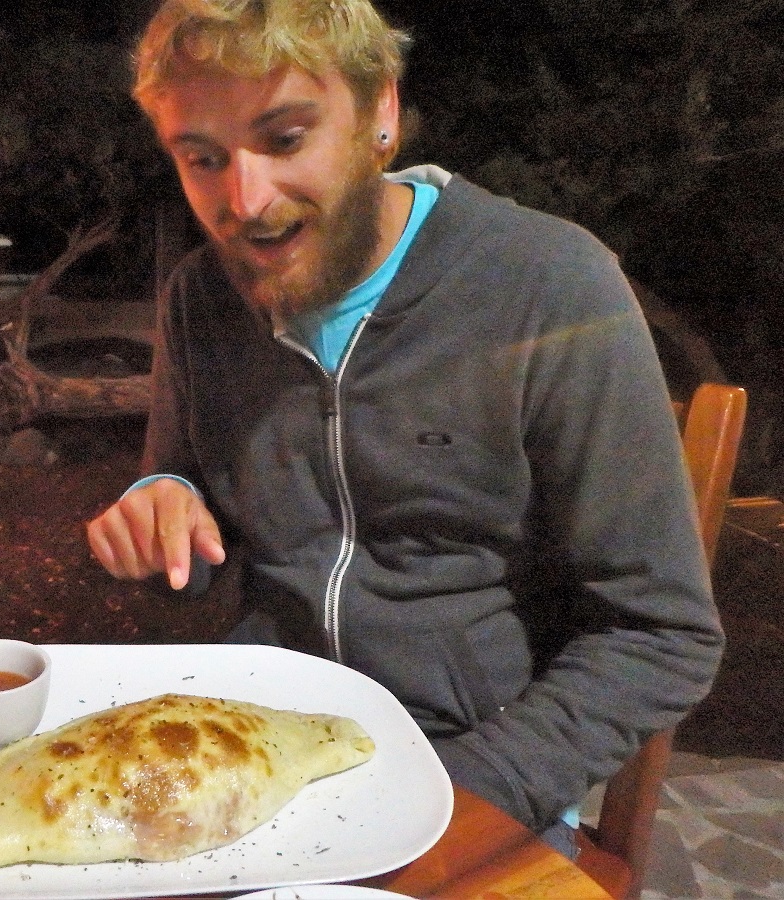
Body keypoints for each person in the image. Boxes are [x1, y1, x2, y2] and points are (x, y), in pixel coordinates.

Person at [85, 0, 724, 857]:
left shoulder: (547, 284)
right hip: (251, 750)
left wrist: (456, 795)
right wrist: (160, 502)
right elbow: (186, 495)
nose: (245, 200)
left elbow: (662, 632)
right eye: (202, 158)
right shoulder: (200, 298)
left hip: (476, 764)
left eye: (283, 140)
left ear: (379, 110)